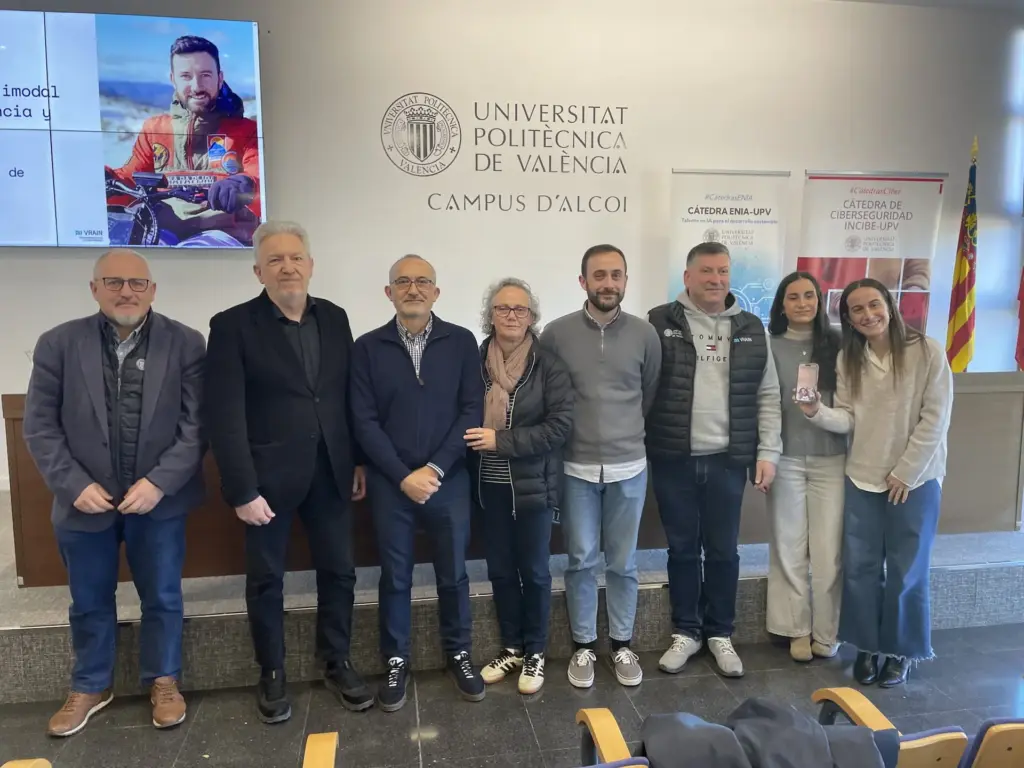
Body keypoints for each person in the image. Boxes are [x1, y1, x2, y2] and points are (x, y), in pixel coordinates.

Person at [23, 249, 205, 736]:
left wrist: (159, 483)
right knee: (88, 600)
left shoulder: (186, 343)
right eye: (114, 282)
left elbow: (196, 427)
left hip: (158, 502)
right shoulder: (58, 343)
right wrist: (73, 484)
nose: (126, 292)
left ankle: (164, 680)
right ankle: (90, 685)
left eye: (137, 283)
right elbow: (39, 427)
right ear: (94, 288)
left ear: (153, 290)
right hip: (84, 503)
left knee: (163, 596)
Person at [203, 221, 372, 723]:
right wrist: (241, 489)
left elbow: (344, 398)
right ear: (258, 271)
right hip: (266, 483)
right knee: (266, 579)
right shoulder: (232, 326)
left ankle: (336, 661)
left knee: (340, 572)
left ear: (310, 265)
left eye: (295, 257)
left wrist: (356, 459)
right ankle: (272, 672)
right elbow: (224, 415)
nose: (287, 267)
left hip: (332, 472)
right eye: (275, 260)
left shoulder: (335, 318)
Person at [800, 278, 953, 687]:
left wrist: (907, 471)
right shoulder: (850, 359)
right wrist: (816, 411)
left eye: (874, 304)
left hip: (915, 481)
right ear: (848, 319)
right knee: (861, 568)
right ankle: (866, 647)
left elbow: (935, 418)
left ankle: (902, 652)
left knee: (906, 570)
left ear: (889, 304)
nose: (868, 315)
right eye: (857, 310)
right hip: (863, 477)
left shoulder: (927, 351)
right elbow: (849, 417)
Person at [350, 254, 485, 711]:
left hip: (448, 479)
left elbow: (471, 409)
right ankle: (396, 659)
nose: (413, 289)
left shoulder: (461, 341)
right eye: (403, 282)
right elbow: (363, 420)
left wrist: (436, 469)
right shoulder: (367, 347)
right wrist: (402, 475)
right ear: (389, 292)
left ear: (436, 292)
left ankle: (459, 653)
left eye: (423, 281)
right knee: (395, 576)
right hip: (392, 483)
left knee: (454, 573)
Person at [646, 241, 782, 679]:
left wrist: (768, 451)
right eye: (706, 271)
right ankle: (686, 631)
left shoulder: (750, 327)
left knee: (723, 550)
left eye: (722, 271)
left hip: (728, 460)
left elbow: (767, 394)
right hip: (674, 458)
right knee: (682, 549)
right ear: (687, 277)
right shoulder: (658, 322)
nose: (715, 279)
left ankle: (720, 632)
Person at [540, 244, 662, 689]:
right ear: (583, 281)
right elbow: (550, 396)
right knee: (580, 560)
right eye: (599, 275)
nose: (608, 283)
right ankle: (584, 646)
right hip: (576, 468)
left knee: (624, 563)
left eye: (616, 275)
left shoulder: (646, 335)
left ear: (625, 280)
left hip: (630, 467)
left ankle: (622, 644)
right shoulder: (556, 333)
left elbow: (648, 393)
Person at [466, 278, 575, 695]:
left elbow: (559, 428)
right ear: (490, 315)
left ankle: (535, 652)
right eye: (503, 308)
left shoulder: (549, 366)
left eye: (520, 309)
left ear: (532, 317)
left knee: (534, 571)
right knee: (500, 570)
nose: (511, 316)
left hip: (533, 489)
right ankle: (511, 647)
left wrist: (501, 441)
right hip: (487, 487)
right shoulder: (474, 361)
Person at [105, 35, 260, 246]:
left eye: (205, 75)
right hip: (161, 232)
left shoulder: (246, 131)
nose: (197, 86)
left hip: (222, 235)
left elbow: (259, 178)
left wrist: (244, 183)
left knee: (194, 252)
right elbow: (130, 182)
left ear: (219, 78)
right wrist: (102, 180)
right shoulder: (155, 130)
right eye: (186, 76)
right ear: (173, 79)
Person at [765, 272, 846, 663]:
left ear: (819, 301)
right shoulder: (770, 346)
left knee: (830, 554)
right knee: (788, 547)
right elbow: (765, 404)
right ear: (782, 305)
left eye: (809, 296)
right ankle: (795, 629)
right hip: (787, 459)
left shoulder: (838, 344)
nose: (802, 303)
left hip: (833, 459)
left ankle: (827, 632)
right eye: (793, 297)